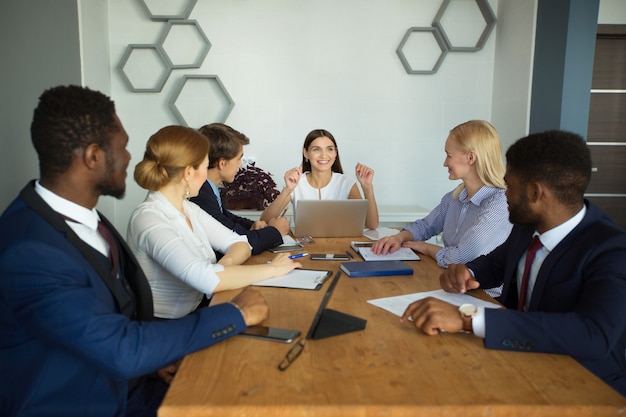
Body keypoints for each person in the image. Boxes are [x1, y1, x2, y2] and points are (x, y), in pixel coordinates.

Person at [0, 85, 270, 417]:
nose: (131, 158)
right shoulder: (30, 250)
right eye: (124, 147)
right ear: (93, 156)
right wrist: (236, 314)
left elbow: (108, 320)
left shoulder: (87, 220)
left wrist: (154, 360)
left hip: (129, 379)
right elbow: (121, 350)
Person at [402, 130, 626, 397]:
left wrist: (468, 319)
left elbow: (593, 334)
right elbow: (497, 264)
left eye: (509, 185)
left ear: (535, 192)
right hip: (515, 361)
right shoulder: (527, 227)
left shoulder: (612, 250)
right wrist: (468, 271)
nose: (503, 194)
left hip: (583, 387)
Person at [127, 125, 300, 320]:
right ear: (189, 173)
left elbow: (239, 243)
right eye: (204, 165)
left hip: (196, 313)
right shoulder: (149, 218)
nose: (206, 174)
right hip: (163, 328)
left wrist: (223, 266)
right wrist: (274, 269)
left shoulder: (189, 209)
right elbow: (208, 280)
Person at [372, 120, 512, 278]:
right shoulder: (454, 198)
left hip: (484, 295)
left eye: (449, 155)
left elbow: (459, 258)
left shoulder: (500, 203)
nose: (445, 163)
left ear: (471, 157)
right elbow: (425, 226)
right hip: (452, 282)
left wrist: (425, 247)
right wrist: (398, 238)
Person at [190, 123, 290, 255]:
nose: (240, 164)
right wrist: (275, 232)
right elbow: (234, 239)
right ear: (222, 163)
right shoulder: (201, 194)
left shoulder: (208, 187)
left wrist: (252, 225)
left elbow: (226, 219)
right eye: (238, 158)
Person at [260, 128, 379, 230]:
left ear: (335, 153)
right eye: (316, 149)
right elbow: (264, 221)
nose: (323, 155)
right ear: (306, 153)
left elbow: (371, 225)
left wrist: (367, 188)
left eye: (329, 149)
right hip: (305, 246)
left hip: (340, 246)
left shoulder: (346, 183)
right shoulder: (297, 183)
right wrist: (287, 190)